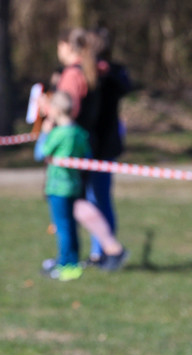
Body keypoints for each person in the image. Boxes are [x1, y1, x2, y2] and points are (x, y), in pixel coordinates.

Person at [35, 91, 128, 281]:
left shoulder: (58, 134)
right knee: (71, 227)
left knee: (63, 228)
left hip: (57, 189)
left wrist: (44, 133)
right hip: (75, 185)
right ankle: (72, 262)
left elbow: (40, 153)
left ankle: (66, 265)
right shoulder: (79, 133)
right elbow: (86, 155)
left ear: (56, 110)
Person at [85, 27, 132, 263]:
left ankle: (106, 250)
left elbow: (126, 87)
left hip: (105, 145)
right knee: (90, 198)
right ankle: (98, 251)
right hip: (88, 143)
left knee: (100, 198)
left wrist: (108, 73)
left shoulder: (115, 72)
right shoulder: (83, 72)